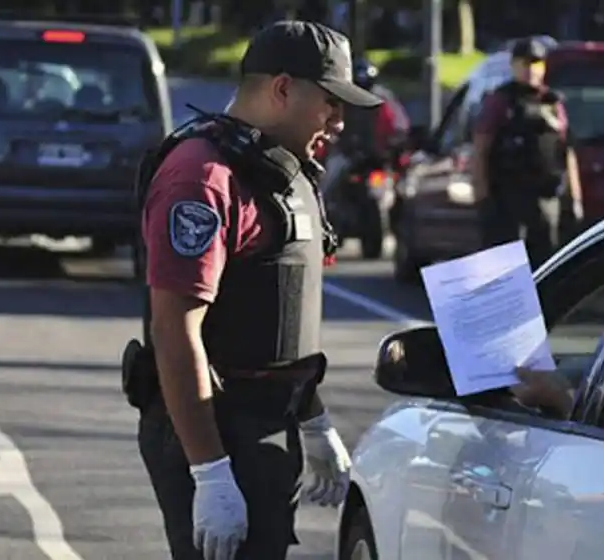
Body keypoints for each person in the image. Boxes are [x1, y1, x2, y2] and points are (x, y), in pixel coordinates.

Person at [126, 20, 384, 560]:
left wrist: (312, 417)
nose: (339, 121)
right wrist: (211, 474)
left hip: (267, 424)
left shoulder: (282, 171)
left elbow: (274, 317)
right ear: (283, 88)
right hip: (216, 431)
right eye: (331, 102)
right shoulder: (202, 176)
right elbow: (175, 329)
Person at [471, 37, 583, 268]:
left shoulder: (552, 103)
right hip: (508, 199)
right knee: (505, 269)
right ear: (514, 66)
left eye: (536, 63)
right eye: (525, 63)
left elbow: (566, 151)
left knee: (544, 265)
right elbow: (481, 149)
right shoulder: (501, 101)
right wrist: (482, 197)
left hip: (545, 198)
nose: (531, 69)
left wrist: (574, 199)